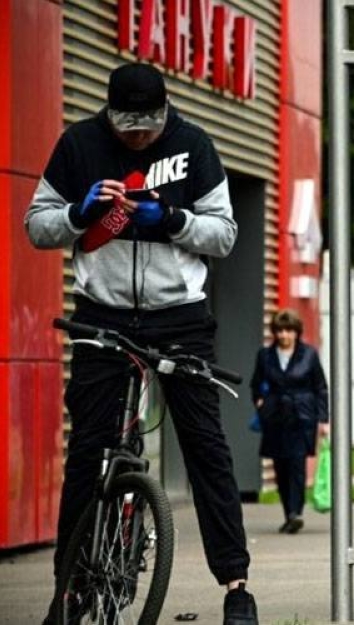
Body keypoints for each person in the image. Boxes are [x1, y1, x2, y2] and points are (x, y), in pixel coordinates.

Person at [25, 63, 257, 624]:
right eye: (127, 126)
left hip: (179, 318)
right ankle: (69, 588)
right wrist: (79, 215)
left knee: (207, 448)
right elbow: (38, 225)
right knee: (87, 452)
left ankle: (236, 585)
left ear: (164, 112)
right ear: (109, 112)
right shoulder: (79, 143)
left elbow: (223, 234)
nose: (136, 137)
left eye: (147, 127)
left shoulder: (194, 145)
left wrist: (174, 219)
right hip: (102, 315)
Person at [251, 309, 330, 533]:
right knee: (280, 466)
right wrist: (259, 402)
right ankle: (288, 512)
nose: (285, 335)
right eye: (280, 331)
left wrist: (323, 419)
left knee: (297, 465)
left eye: (289, 331)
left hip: (301, 416)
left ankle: (296, 512)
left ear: (296, 332)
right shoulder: (265, 355)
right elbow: (256, 383)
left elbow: (320, 388)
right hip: (274, 417)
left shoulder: (308, 355)